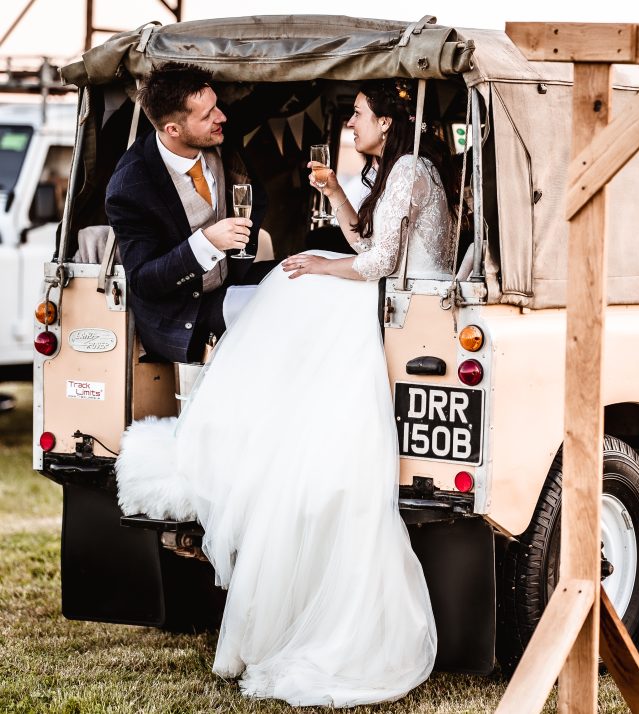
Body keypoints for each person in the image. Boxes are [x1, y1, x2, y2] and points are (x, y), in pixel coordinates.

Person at [115, 78, 458, 707]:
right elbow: (371, 242)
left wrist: (319, 263)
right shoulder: (393, 167)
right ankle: (263, 431)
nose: (351, 124)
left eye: (357, 114)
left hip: (409, 302)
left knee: (294, 286)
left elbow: (378, 262)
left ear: (388, 120)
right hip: (382, 293)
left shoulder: (408, 168)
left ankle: (253, 433)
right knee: (288, 288)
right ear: (171, 127)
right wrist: (334, 198)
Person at [105, 62, 269, 364]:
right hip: (185, 313)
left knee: (305, 277)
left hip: (230, 282)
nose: (222, 117)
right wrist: (207, 243)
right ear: (173, 129)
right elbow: (142, 280)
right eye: (208, 115)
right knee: (278, 313)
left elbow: (255, 196)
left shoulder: (216, 135)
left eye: (216, 106)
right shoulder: (130, 187)